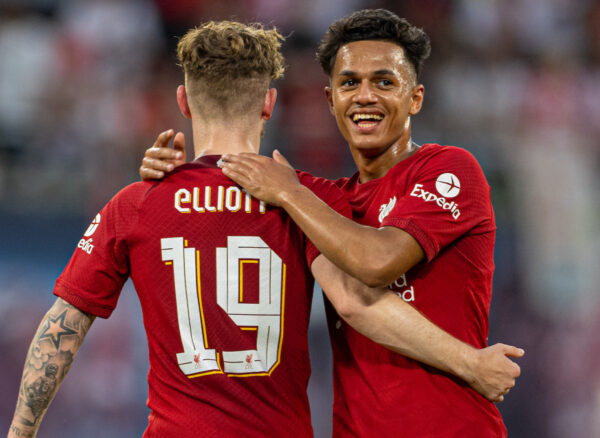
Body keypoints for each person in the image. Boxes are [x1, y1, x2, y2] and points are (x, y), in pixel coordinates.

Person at [8, 19, 520, 438]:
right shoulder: (309, 204)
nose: (364, 96)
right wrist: (470, 363)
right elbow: (353, 299)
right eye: (350, 83)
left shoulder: (138, 204)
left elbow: (64, 325)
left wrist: (20, 433)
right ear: (271, 104)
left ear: (183, 102)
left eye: (383, 81)